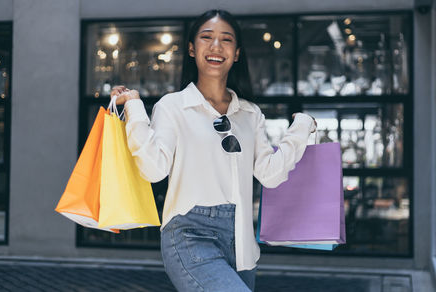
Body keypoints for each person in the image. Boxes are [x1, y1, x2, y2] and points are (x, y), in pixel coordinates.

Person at [110, 9, 317, 292]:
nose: (216, 46)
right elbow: (153, 168)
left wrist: (302, 127)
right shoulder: (173, 107)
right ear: (192, 49)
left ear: (237, 53)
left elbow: (270, 175)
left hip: (243, 247)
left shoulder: (249, 114)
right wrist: (134, 106)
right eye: (207, 37)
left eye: (226, 40)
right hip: (189, 235)